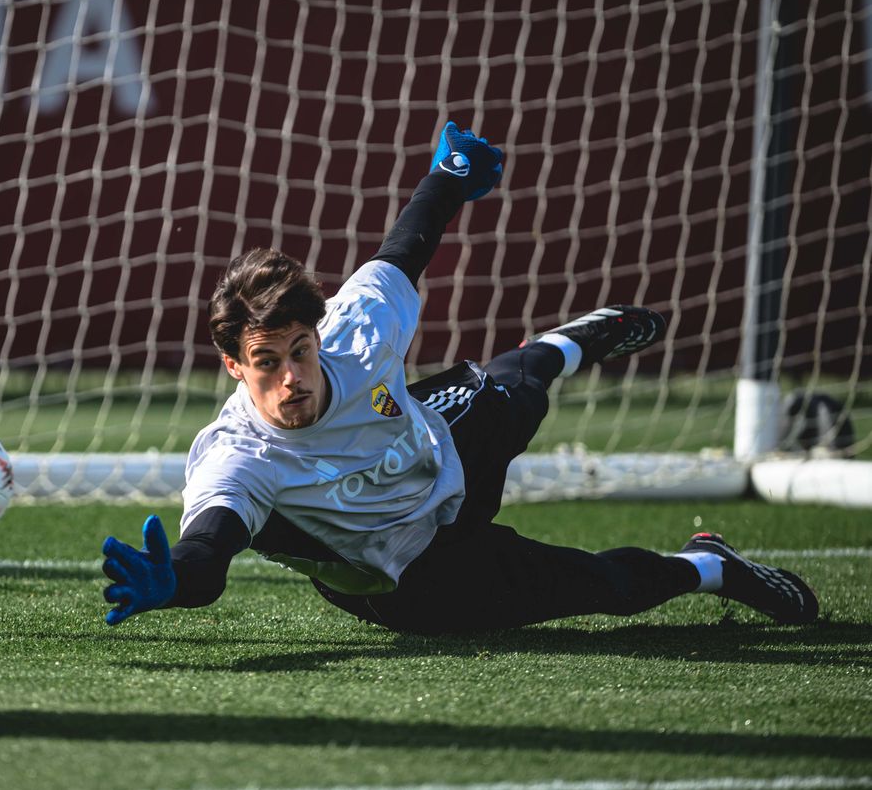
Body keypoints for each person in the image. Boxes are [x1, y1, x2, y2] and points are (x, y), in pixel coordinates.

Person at [99, 122, 819, 635]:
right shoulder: (236, 459)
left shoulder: (354, 332)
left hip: (441, 448)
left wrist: (449, 175)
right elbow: (210, 548)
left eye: (300, 351)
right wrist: (177, 581)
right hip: (409, 575)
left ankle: (565, 345)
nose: (293, 377)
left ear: (318, 336)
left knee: (515, 392)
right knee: (602, 589)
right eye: (267, 362)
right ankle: (710, 567)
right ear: (234, 366)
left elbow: (404, 249)